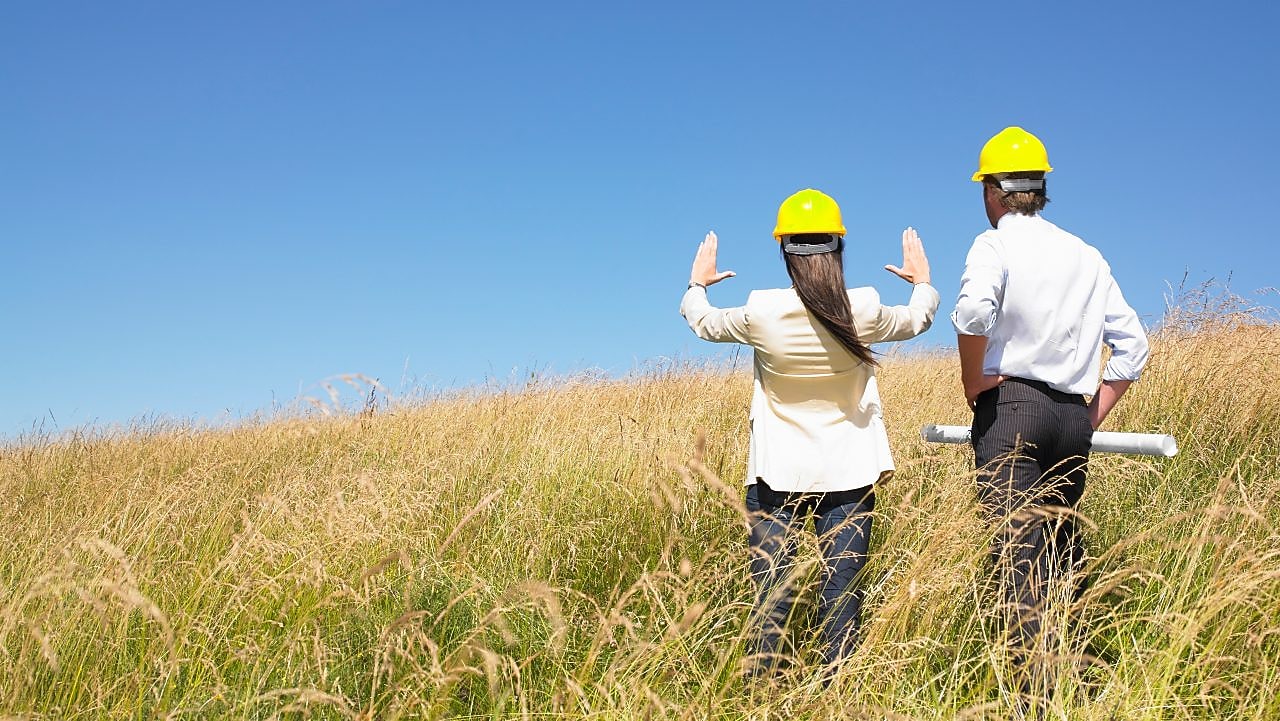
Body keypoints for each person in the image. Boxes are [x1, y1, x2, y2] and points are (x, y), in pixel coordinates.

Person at [679, 188, 939, 675]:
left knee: (771, 600)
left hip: (776, 474)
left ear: (784, 250)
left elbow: (703, 322)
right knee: (842, 601)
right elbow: (918, 319)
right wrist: (922, 282)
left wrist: (697, 284)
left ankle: (763, 693)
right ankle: (836, 692)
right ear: (838, 247)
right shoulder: (864, 307)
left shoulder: (762, 311)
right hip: (849, 474)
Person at [952, 127, 1150, 708]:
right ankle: (1077, 690)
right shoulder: (1087, 255)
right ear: (1040, 188)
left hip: (1010, 408)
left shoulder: (993, 245)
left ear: (991, 192)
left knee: (1018, 562)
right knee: (1062, 556)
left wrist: (973, 381)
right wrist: (1091, 416)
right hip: (1071, 420)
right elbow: (1134, 347)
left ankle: (1032, 702)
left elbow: (972, 313)